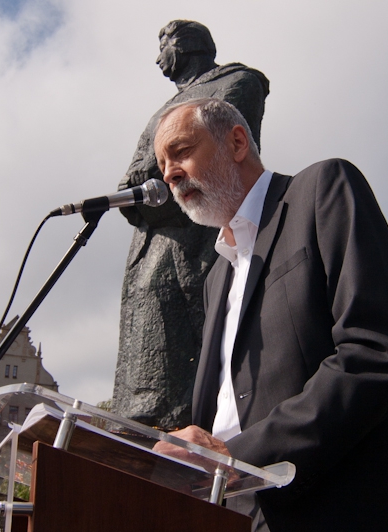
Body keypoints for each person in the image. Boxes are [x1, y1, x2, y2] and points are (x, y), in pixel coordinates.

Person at [152, 98, 388, 532]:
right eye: (163, 164)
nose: (169, 173)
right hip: (242, 514)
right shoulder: (215, 278)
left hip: (351, 509)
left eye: (181, 151)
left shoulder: (321, 190)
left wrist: (242, 456)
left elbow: (378, 349)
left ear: (237, 142)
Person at [113, 20, 270, 430]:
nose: (157, 58)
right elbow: (131, 182)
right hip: (150, 246)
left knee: (196, 359)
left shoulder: (239, 82)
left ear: (185, 46)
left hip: (201, 243)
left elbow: (218, 167)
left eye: (162, 46)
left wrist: (158, 186)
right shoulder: (163, 110)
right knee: (143, 359)